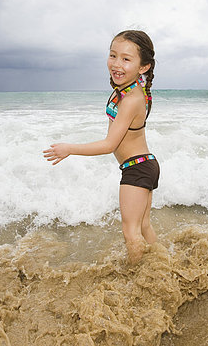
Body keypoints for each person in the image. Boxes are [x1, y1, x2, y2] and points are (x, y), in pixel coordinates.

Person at [42, 30, 160, 265]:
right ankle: (161, 263)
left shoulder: (132, 98)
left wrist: (69, 149)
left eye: (126, 59)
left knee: (131, 231)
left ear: (143, 66)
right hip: (145, 165)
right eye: (113, 56)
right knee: (142, 225)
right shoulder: (127, 88)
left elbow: (109, 145)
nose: (117, 64)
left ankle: (139, 275)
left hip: (136, 168)